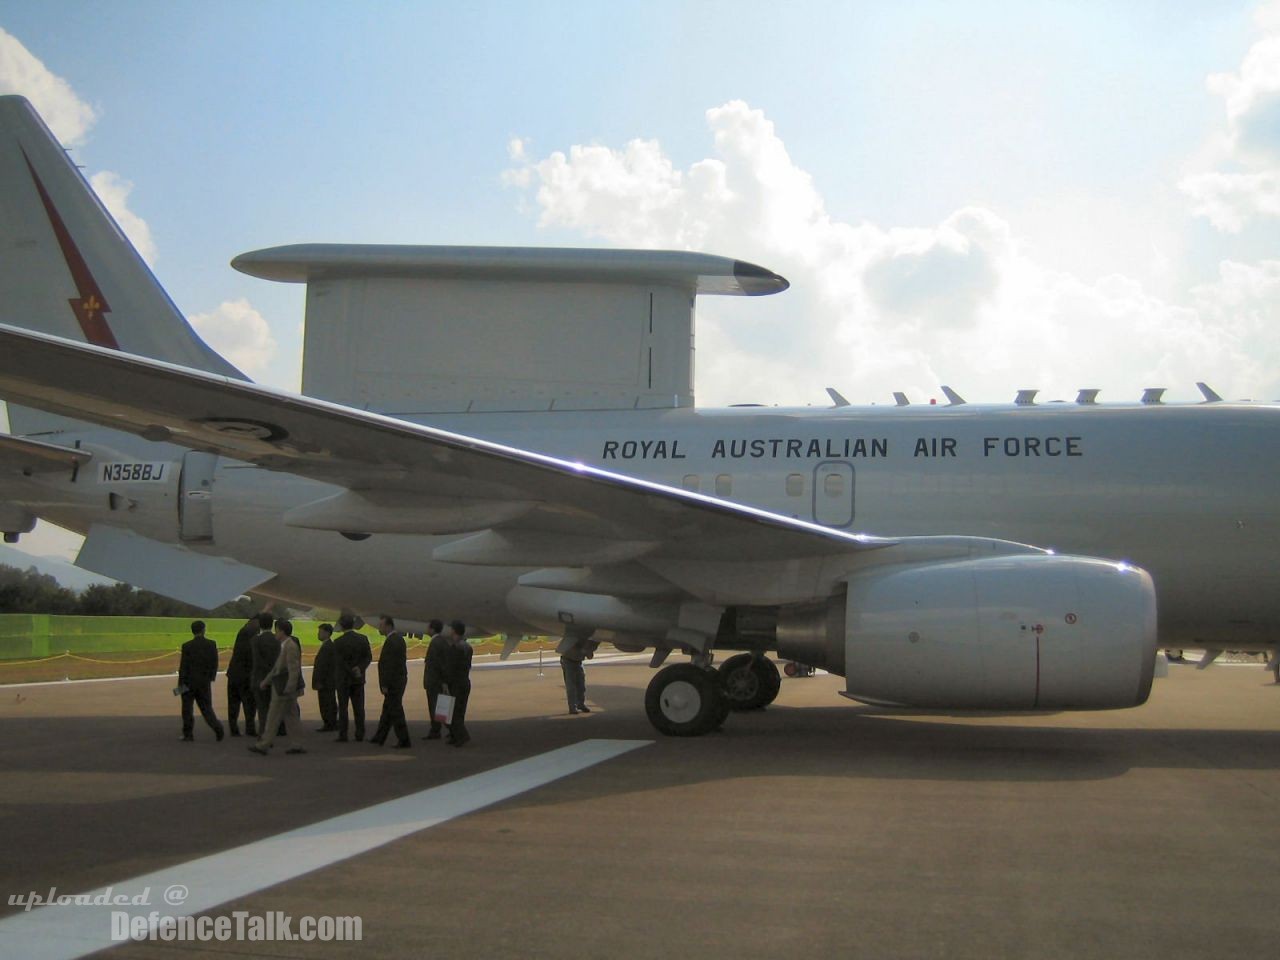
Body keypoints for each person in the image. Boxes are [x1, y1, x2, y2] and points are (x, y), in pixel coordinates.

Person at [248, 619, 305, 755]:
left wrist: (289, 688)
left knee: (273, 717)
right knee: (292, 717)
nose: (275, 633)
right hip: (285, 688)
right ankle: (296, 744)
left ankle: (263, 745)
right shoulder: (286, 645)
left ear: (282, 631)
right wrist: (266, 681)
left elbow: (293, 669)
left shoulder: (289, 646)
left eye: (277, 630)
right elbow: (276, 668)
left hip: (283, 688)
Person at [178, 620, 224, 741]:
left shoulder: (186, 646)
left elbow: (183, 667)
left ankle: (188, 734)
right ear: (203, 630)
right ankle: (218, 728)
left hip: (188, 683)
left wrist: (179, 687)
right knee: (207, 708)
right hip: (204, 682)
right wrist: (211, 677)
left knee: (187, 710)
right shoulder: (211, 644)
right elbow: (214, 663)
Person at [370, 615, 411, 748]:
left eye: (381, 625)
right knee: (387, 710)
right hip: (398, 680)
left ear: (388, 626)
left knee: (395, 710)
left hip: (393, 682)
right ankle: (379, 736)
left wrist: (385, 684)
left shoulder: (392, 641)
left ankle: (404, 739)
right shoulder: (397, 640)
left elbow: (390, 665)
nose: (379, 628)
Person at [333, 614, 373, 742]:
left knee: (343, 708)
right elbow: (368, 657)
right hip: (358, 678)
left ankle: (343, 734)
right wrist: (359, 668)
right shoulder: (363, 639)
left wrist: (350, 670)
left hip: (344, 679)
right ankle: (360, 733)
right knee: (359, 708)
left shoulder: (338, 642)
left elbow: (339, 662)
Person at [225, 617, 258, 737]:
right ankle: (250, 728)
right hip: (246, 677)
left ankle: (233, 729)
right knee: (249, 705)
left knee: (233, 704)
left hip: (233, 675)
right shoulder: (253, 642)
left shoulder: (241, 638)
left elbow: (245, 629)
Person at [249, 611, 281, 735]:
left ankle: (264, 736)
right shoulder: (277, 639)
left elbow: (257, 661)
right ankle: (271, 734)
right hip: (274, 678)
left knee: (262, 710)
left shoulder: (256, 640)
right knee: (273, 709)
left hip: (260, 678)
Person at [444, 620, 473, 747]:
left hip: (455, 683)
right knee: (460, 710)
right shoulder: (467, 647)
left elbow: (451, 667)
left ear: (454, 631)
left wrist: (445, 683)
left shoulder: (455, 648)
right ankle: (456, 736)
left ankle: (461, 736)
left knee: (452, 712)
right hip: (465, 681)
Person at [421, 619, 449, 740]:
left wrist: (442, 680)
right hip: (437, 681)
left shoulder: (436, 643)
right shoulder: (441, 642)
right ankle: (440, 729)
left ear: (432, 629)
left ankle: (439, 730)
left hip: (434, 681)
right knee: (439, 707)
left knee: (436, 706)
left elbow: (437, 664)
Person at [559, 635, 598, 715]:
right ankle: (572, 707)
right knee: (571, 686)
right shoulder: (574, 638)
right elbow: (570, 649)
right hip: (568, 661)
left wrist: (588, 650)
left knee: (581, 686)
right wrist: (583, 650)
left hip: (578, 662)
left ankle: (581, 704)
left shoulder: (591, 641)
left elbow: (590, 656)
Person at [313, 623, 337, 731]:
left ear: (327, 633)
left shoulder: (327, 647)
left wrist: (319, 680)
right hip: (327, 681)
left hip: (325, 682)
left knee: (326, 702)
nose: (318, 634)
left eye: (320, 632)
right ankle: (330, 722)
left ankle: (329, 723)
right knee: (328, 702)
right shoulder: (328, 646)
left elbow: (323, 666)